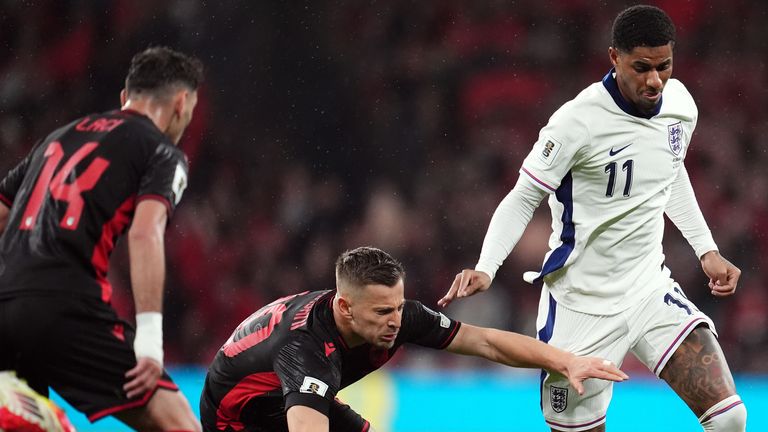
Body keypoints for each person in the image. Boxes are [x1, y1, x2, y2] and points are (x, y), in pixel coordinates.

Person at [439, 5, 747, 432]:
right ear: (614, 58)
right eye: (641, 67)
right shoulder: (575, 123)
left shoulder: (680, 106)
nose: (655, 80)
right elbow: (522, 197)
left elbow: (668, 173)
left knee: (730, 418)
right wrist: (487, 266)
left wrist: (706, 250)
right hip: (581, 306)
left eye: (664, 66)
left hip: (648, 288)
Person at [200, 246, 628, 432]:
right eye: (382, 312)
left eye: (399, 306)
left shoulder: (399, 316)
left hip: (289, 398)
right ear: (344, 308)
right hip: (236, 417)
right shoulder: (306, 353)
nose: (395, 322)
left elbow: (487, 343)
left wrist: (564, 360)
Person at [0, 46, 202, 431]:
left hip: (4, 305)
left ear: (125, 97)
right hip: (66, 308)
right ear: (180, 103)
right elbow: (145, 232)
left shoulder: (57, 139)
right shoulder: (161, 152)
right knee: (180, 424)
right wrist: (149, 343)